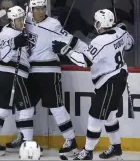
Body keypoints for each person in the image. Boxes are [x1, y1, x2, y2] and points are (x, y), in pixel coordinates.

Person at [52, 9, 134, 160]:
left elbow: (84, 61)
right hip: (118, 78)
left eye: (95, 21)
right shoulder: (120, 32)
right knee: (109, 115)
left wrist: (66, 51)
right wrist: (124, 30)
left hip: (110, 82)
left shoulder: (100, 41)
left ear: (99, 23)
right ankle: (116, 148)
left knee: (95, 117)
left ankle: (87, 152)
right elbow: (130, 45)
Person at [6, 0, 79, 156]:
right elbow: (10, 24)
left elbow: (69, 40)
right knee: (25, 107)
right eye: (37, 8)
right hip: (30, 71)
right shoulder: (26, 20)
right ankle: (25, 141)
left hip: (49, 71)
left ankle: (71, 141)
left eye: (43, 8)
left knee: (56, 107)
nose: (41, 11)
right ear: (31, 9)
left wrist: (69, 49)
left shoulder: (54, 24)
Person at [0, 6, 36, 156]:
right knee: (26, 109)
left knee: (3, 109)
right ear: (12, 21)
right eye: (18, 20)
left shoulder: (12, 30)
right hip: (13, 74)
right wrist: (14, 44)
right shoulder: (8, 33)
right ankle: (28, 147)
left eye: (22, 19)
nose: (21, 22)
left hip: (4, 74)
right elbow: (3, 57)